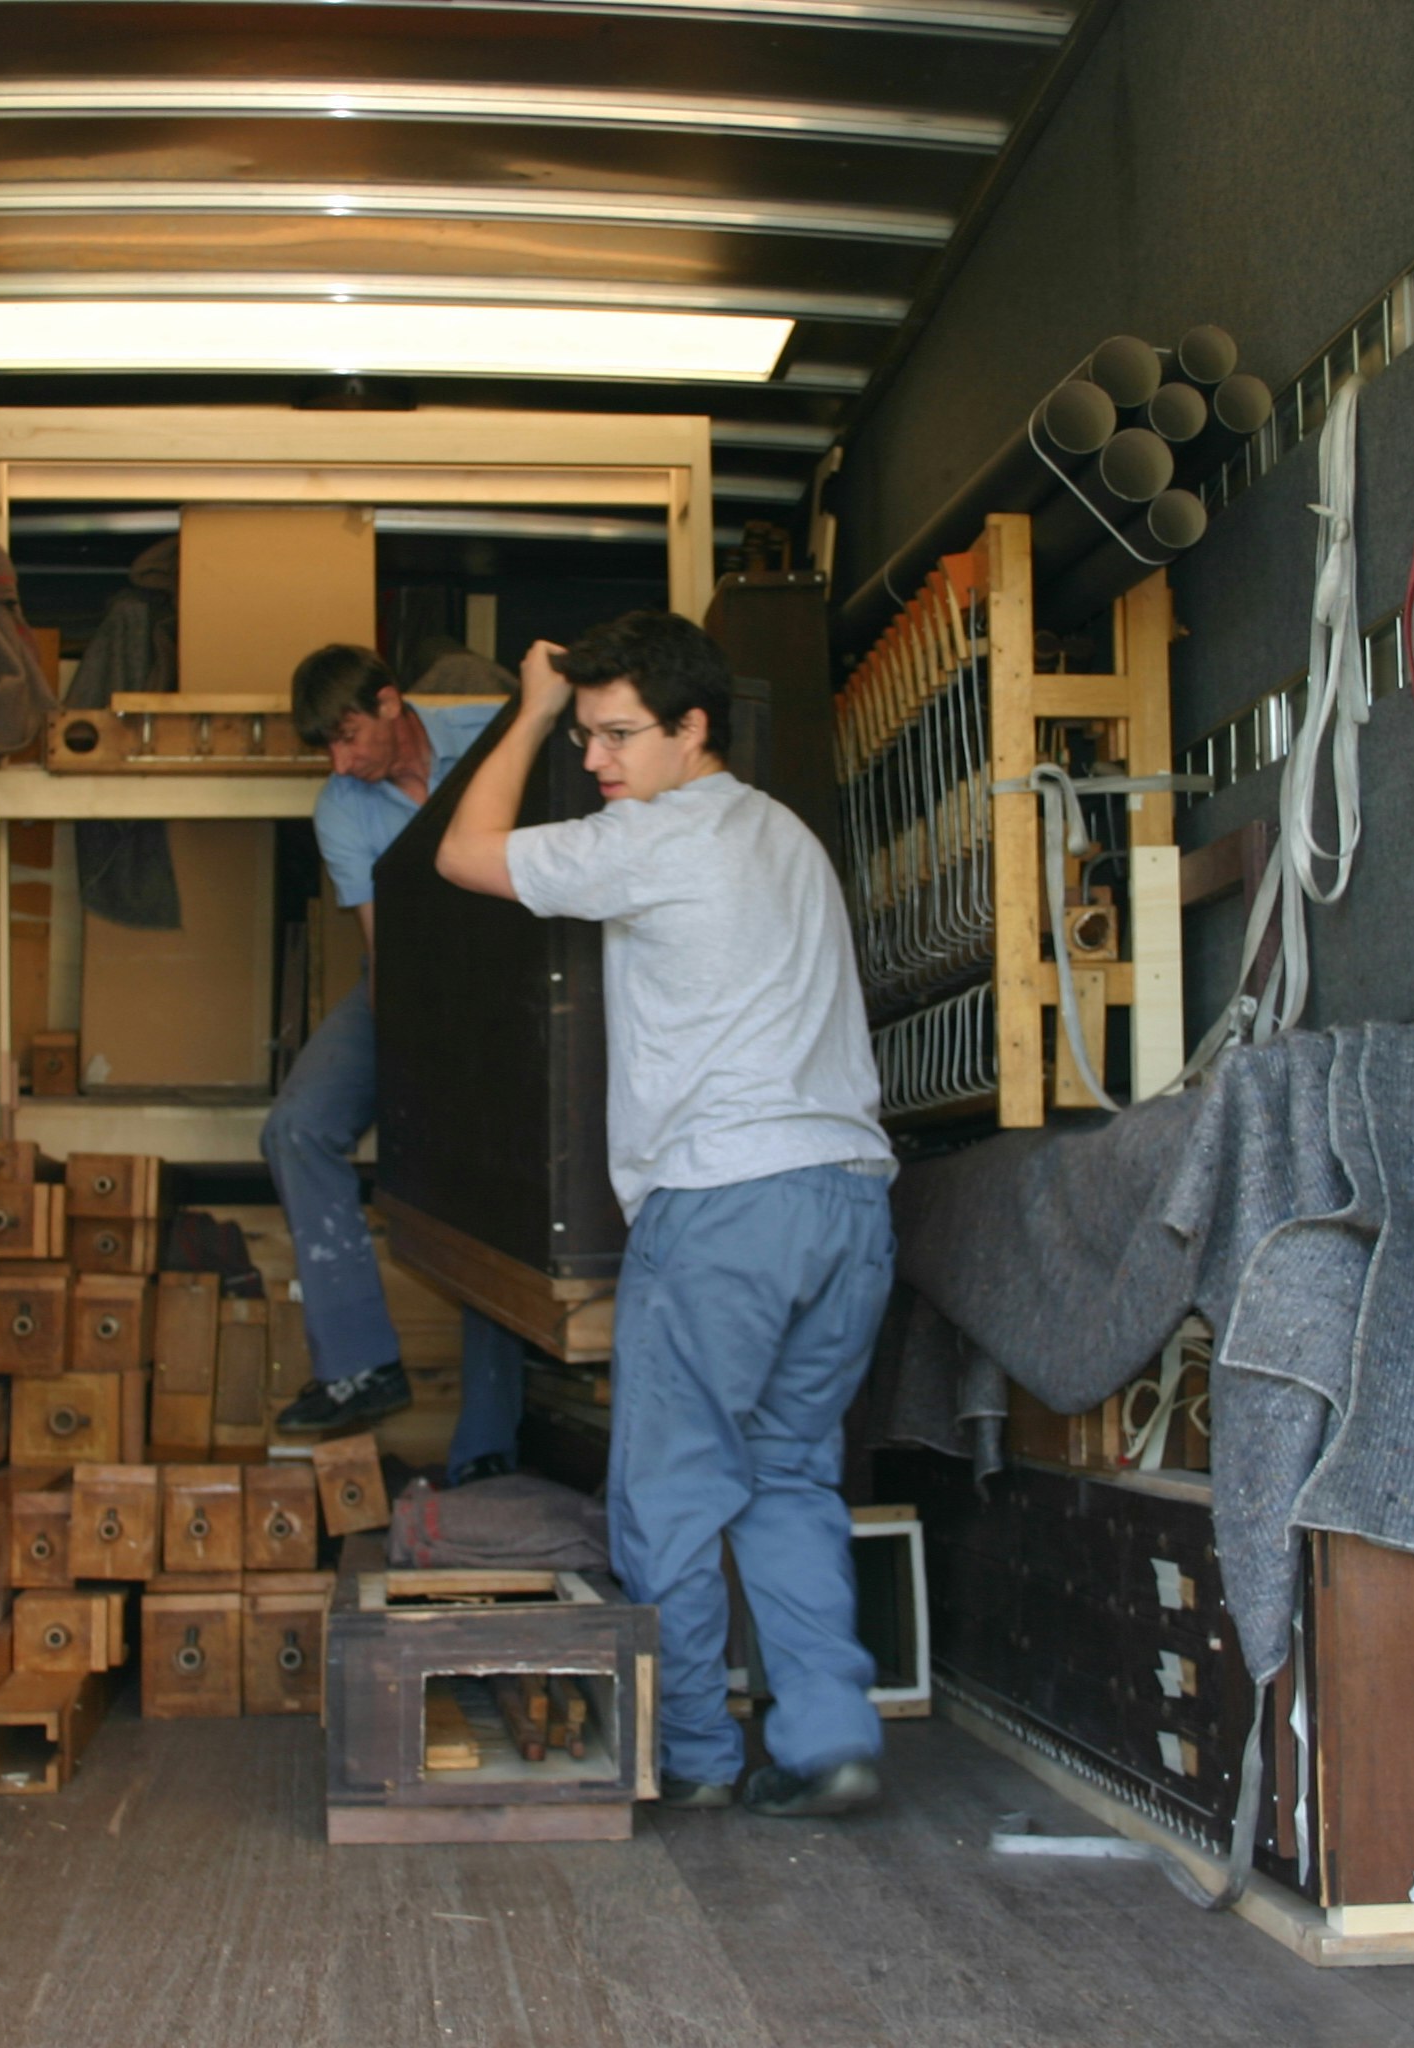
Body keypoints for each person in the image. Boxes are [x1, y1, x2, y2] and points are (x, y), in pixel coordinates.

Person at [432, 612, 897, 1819]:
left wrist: (532, 705)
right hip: (849, 1201)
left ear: (694, 728)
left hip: (727, 1204)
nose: (596, 758)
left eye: (619, 734)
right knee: (790, 1477)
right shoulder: (787, 835)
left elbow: (463, 854)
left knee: (669, 1493)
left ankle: (694, 1752)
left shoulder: (655, 835)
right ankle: (831, 1741)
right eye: (582, 734)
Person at [263, 644, 528, 1483]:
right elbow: (385, 952)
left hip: (514, 983)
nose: (341, 764)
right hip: (408, 982)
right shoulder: (340, 808)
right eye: (327, 749)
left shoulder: (497, 734)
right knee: (296, 1127)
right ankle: (360, 1365)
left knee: (486, 1174)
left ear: (389, 702)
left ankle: (487, 1446)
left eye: (348, 737)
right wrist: (418, 1070)